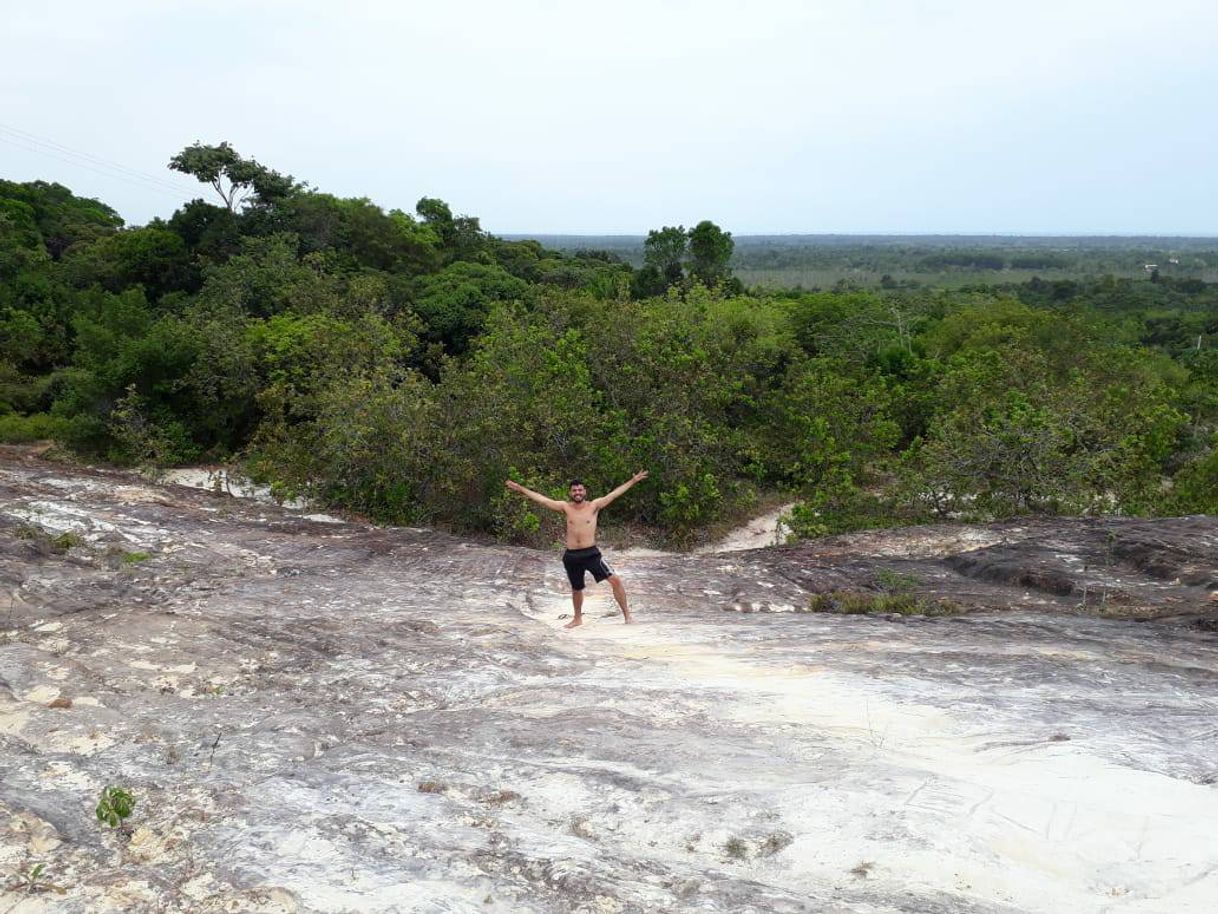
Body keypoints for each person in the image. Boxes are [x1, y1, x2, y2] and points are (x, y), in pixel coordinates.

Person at [504, 472, 648, 628]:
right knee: (577, 588)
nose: (577, 493)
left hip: (591, 554)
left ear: (585, 492)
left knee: (615, 580)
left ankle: (627, 615)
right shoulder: (565, 507)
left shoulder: (594, 506)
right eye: (574, 490)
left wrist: (633, 481)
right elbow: (543, 500)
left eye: (580, 490)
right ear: (570, 493)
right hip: (572, 556)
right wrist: (520, 488)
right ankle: (577, 618)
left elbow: (614, 494)